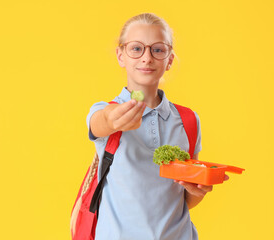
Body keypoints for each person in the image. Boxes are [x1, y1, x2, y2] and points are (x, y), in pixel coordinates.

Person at [86, 13, 228, 240]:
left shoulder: (188, 120)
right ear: (120, 56)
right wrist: (114, 119)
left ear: (169, 59)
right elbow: (101, 122)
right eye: (136, 48)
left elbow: (183, 199)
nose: (146, 58)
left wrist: (198, 190)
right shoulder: (105, 110)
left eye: (158, 50)